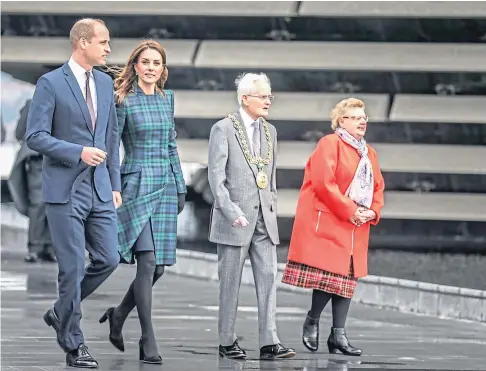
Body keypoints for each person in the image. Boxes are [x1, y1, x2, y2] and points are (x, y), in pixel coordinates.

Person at [25, 18, 121, 368]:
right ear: (82, 43)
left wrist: (114, 185)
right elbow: (34, 136)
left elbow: (110, 138)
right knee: (71, 267)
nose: (109, 49)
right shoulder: (50, 84)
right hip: (64, 190)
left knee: (109, 258)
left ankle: (59, 311)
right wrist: (76, 151)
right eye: (104, 42)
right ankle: (73, 342)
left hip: (99, 189)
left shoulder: (106, 84)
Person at [98, 40, 186, 365]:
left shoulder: (168, 99)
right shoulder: (123, 100)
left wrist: (180, 185)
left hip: (164, 185)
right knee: (146, 262)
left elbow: (171, 144)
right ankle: (148, 339)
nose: (151, 68)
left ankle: (119, 313)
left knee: (159, 267)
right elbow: (111, 147)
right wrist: (113, 187)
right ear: (135, 65)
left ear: (163, 69)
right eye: (145, 62)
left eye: (156, 63)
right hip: (135, 185)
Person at [281, 98, 385, 356]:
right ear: (342, 121)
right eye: (356, 117)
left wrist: (371, 211)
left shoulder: (368, 152)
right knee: (331, 278)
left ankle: (338, 335)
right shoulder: (330, 144)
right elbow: (323, 183)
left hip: (356, 224)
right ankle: (313, 320)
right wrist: (351, 210)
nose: (362, 121)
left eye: (364, 117)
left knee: (347, 278)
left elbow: (378, 187)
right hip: (332, 219)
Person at [208, 72, 295, 361]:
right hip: (234, 218)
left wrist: (271, 209)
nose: (268, 101)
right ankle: (226, 340)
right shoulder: (223, 129)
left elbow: (270, 179)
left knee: (269, 278)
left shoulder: (271, 132)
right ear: (245, 98)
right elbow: (216, 180)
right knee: (230, 282)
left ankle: (270, 341)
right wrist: (231, 211)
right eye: (263, 96)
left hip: (263, 220)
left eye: (270, 96)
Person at [8, 99, 56, 263]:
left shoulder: (33, 103)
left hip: (41, 158)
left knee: (40, 203)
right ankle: (46, 247)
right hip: (57, 158)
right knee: (51, 202)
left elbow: (19, 133)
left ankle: (37, 247)